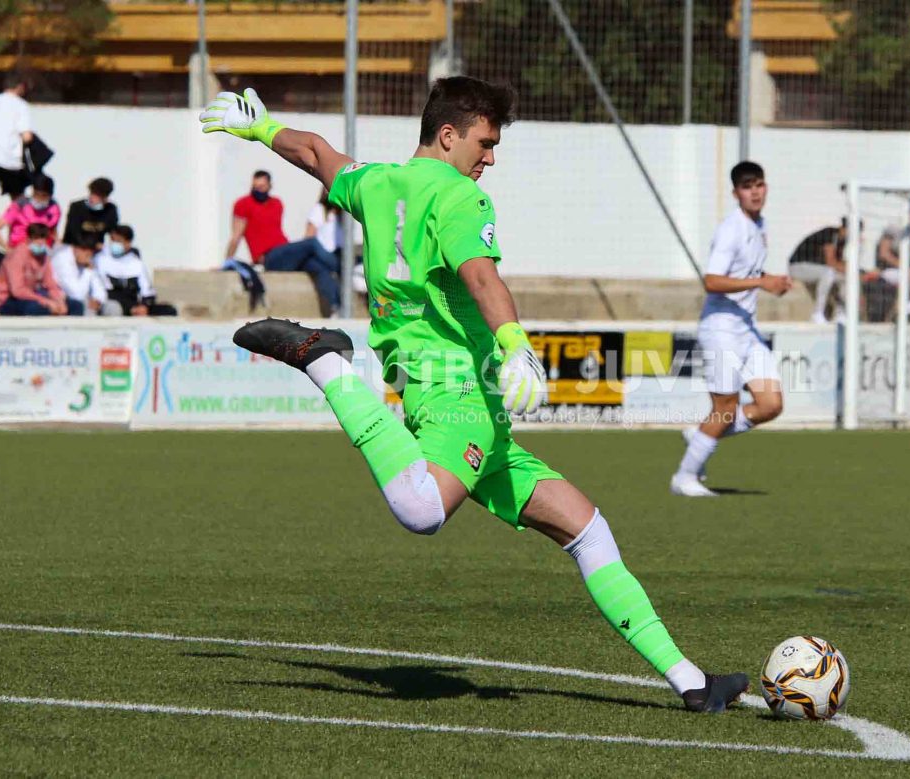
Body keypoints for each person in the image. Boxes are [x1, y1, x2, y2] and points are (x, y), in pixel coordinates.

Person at [199, 79, 749, 714]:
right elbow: (482, 276)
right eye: (485, 144)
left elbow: (318, 155)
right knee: (422, 509)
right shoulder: (461, 196)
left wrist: (263, 130)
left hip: (457, 404)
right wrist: (515, 343)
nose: (490, 159)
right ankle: (326, 364)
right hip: (458, 392)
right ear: (448, 135)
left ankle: (691, 683)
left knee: (589, 531)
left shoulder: (377, 182)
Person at [670, 161, 788, 498]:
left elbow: (746, 271)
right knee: (724, 408)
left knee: (770, 404)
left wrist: (770, 280)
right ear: (736, 193)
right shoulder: (731, 229)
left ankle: (700, 435)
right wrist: (762, 283)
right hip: (721, 328)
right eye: (747, 187)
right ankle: (684, 477)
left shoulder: (760, 224)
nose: (755, 192)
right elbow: (712, 281)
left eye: (759, 185)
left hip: (746, 328)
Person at [260, 189, 344, 313]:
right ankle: (341, 269)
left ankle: (337, 306)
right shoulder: (320, 210)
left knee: (320, 268)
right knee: (313, 247)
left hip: (329, 256)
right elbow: (309, 236)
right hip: (316, 255)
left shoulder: (343, 216)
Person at [96, 225, 177, 316]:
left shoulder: (136, 263)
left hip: (135, 304)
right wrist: (130, 308)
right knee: (113, 308)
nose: (114, 244)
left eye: (118, 241)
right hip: (115, 303)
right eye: (112, 240)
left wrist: (144, 306)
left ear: (128, 243)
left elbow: (147, 291)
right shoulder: (101, 260)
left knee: (169, 310)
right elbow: (103, 291)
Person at [0, 222, 65, 315]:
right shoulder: (17, 256)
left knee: (74, 305)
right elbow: (17, 291)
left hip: (32, 295)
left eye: (43, 238)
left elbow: (50, 284)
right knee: (38, 309)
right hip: (8, 300)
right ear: (28, 239)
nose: (40, 242)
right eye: (36, 238)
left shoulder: (44, 256)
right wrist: (45, 301)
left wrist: (59, 301)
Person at [788, 219, 849, 324]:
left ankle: (840, 312)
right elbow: (831, 262)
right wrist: (851, 270)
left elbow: (839, 263)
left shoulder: (843, 240)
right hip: (798, 267)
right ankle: (817, 313)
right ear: (843, 228)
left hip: (816, 269)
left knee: (843, 277)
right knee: (829, 273)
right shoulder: (830, 234)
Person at [224, 170, 288, 264]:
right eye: (255, 187)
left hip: (284, 249)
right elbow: (236, 237)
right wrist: (227, 261)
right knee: (309, 244)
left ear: (269, 186)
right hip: (266, 256)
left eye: (261, 187)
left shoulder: (277, 203)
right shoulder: (243, 204)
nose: (258, 190)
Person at [52, 235, 122, 316]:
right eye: (87, 254)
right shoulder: (62, 260)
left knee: (113, 306)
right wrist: (88, 271)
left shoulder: (85, 260)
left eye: (90, 254)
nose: (89, 258)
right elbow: (76, 294)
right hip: (67, 300)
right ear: (77, 249)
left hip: (86, 299)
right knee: (87, 310)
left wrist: (98, 300)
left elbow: (100, 289)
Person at [0, 173, 60, 252]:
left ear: (50, 195)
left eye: (44, 196)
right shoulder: (20, 205)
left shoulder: (53, 208)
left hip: (42, 253)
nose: (39, 199)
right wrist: (7, 249)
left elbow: (53, 233)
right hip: (20, 250)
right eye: (37, 194)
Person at [0, 72, 34, 200]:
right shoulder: (21, 105)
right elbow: (27, 136)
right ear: (19, 86)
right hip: (10, 160)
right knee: (17, 199)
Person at [62, 177, 119, 247]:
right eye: (94, 194)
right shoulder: (76, 207)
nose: (94, 199)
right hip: (74, 247)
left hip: (98, 250)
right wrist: (92, 245)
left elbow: (113, 232)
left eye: (100, 197)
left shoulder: (110, 209)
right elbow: (72, 233)